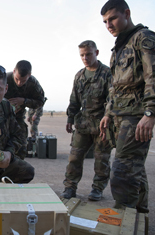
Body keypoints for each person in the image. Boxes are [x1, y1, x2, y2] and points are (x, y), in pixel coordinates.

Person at [100, 0, 155, 213]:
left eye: (112, 18)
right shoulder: (119, 47)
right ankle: (139, 216)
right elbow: (116, 86)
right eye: (105, 22)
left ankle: (123, 219)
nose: (109, 25)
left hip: (136, 116)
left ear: (127, 13)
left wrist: (150, 113)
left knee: (122, 172)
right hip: (120, 116)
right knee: (134, 169)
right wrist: (108, 113)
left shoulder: (144, 39)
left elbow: (153, 76)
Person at [61, 40, 113, 201]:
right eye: (82, 55)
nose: (85, 58)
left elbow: (112, 98)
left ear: (96, 53)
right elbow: (74, 99)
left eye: (88, 54)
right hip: (83, 125)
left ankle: (97, 189)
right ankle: (70, 187)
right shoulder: (79, 76)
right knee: (75, 157)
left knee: (101, 160)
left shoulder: (107, 73)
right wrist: (70, 118)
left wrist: (108, 117)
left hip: (102, 125)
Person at [5, 60, 45, 159]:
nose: (19, 83)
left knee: (21, 147)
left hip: (18, 119)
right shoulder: (4, 79)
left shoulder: (33, 83)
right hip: (1, 118)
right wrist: (6, 105)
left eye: (23, 81)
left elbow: (40, 102)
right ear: (14, 71)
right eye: (17, 79)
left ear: (29, 75)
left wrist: (24, 101)